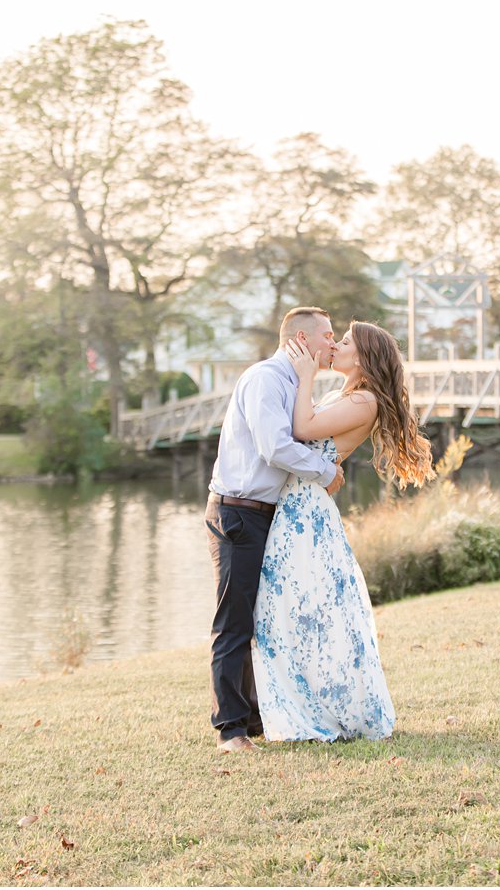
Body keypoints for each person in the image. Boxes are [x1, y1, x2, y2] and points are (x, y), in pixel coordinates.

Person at [251, 320, 435, 742]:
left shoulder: (364, 400)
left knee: (307, 609)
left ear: (364, 356)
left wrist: (305, 377)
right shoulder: (349, 395)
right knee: (291, 608)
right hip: (297, 505)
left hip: (306, 511)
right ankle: (299, 701)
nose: (335, 345)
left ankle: (327, 708)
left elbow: (302, 429)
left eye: (344, 342)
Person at [205, 307, 344, 754]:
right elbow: (274, 446)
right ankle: (231, 730)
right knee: (234, 622)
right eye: (328, 336)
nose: (333, 344)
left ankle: (258, 717)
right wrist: (325, 471)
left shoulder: (296, 383)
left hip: (266, 513)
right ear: (302, 338)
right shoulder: (266, 378)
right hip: (238, 513)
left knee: (264, 618)